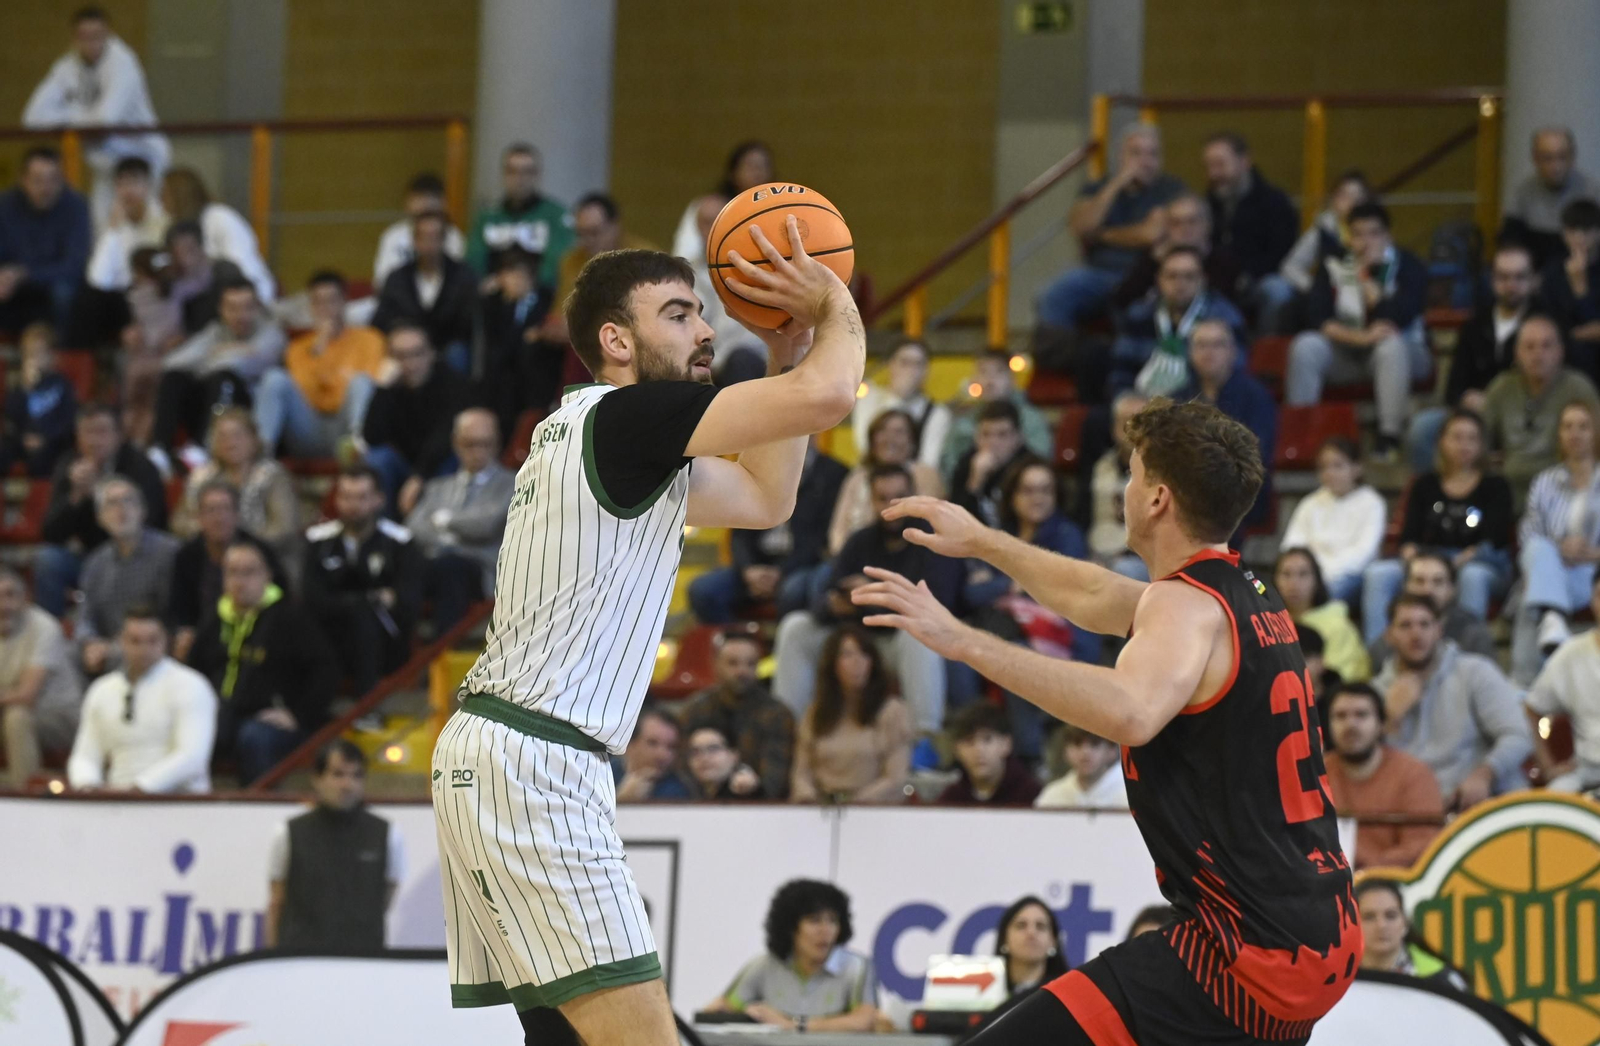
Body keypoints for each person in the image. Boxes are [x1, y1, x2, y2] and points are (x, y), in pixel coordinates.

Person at [431, 229, 864, 1043]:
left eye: (702, 312)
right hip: (534, 766)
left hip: (502, 756)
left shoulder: (605, 438)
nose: (705, 330)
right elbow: (834, 397)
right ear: (616, 342)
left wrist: (788, 352)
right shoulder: (628, 418)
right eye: (678, 314)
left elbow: (767, 498)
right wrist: (832, 300)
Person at [851, 399, 1363, 1046]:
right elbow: (1096, 596)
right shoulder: (1245, 594)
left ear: (1156, 500)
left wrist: (963, 641)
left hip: (1251, 951)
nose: (1121, 489)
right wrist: (984, 541)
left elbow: (1130, 709)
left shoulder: (1185, 606)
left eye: (1131, 474)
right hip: (1317, 927)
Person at [773, 465, 964, 735]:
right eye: (882, 498)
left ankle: (926, 739)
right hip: (857, 637)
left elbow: (937, 606)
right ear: (872, 501)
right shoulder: (860, 540)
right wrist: (834, 603)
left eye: (899, 497)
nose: (891, 506)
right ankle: (786, 731)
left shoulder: (934, 540)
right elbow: (825, 598)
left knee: (919, 637)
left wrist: (872, 594)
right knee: (797, 626)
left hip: (896, 643)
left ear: (913, 497)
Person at [959, 456, 1098, 760]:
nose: (1038, 498)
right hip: (1001, 628)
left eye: (1045, 490)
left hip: (1059, 636)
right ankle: (967, 739)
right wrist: (1013, 585)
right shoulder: (998, 536)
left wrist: (1001, 585)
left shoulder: (1066, 535)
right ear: (1013, 495)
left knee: (1016, 656)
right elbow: (971, 593)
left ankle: (1028, 755)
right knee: (959, 647)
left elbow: (1056, 591)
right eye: (1029, 490)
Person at [1287, 201, 1430, 455]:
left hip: (1406, 353)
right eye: (1358, 235)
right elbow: (1318, 319)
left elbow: (1397, 318)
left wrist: (1368, 282)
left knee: (1390, 344)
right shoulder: (1334, 265)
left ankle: (1389, 438)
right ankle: (1300, 433)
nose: (1365, 242)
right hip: (1350, 350)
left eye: (1374, 234)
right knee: (1306, 345)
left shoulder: (1408, 265)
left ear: (1388, 236)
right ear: (1348, 238)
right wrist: (1362, 338)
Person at [1361, 409, 1515, 643]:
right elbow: (1408, 538)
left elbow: (1493, 540)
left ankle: (1464, 653)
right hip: (1428, 559)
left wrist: (1448, 567)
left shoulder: (1496, 485)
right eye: (1456, 437)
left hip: (1481, 563)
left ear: (1482, 445)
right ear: (1441, 442)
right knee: (1379, 573)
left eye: (1471, 438)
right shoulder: (1425, 483)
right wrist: (1416, 561)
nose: (1463, 445)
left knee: (1472, 576)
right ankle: (1379, 655)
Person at [188, 541, 335, 784]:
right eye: (232, 572)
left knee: (254, 737)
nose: (239, 581)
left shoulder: (290, 617)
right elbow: (194, 673)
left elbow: (325, 670)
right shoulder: (214, 620)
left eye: (249, 572)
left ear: (268, 575)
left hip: (271, 719)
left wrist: (297, 715)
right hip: (224, 714)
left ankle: (257, 805)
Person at [1372, 593, 1531, 810]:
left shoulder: (1476, 671)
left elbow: (1518, 735)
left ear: (1439, 630)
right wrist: (1390, 719)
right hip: (1413, 811)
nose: (1416, 633)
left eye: (1424, 624)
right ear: (1389, 635)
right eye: (1405, 626)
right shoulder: (1375, 692)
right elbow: (1363, 767)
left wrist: (1485, 774)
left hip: (1482, 800)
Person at [22, 7, 169, 224]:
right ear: (74, 38)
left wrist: (67, 113)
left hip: (143, 161)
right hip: (106, 167)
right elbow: (32, 118)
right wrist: (81, 116)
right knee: (103, 232)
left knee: (149, 229)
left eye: (97, 36)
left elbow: (105, 122)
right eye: (84, 37)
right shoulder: (66, 66)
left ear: (107, 35)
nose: (91, 43)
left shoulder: (123, 63)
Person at [1036, 124, 1186, 336]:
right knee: (1054, 294)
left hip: (1146, 275)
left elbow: (1150, 234)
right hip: (1097, 274)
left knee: (1135, 307)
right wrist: (1117, 184)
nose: (1145, 161)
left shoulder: (1171, 190)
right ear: (1121, 156)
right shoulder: (1097, 188)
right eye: (1136, 153)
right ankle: (1060, 356)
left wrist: (1102, 234)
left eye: (1152, 153)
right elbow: (1081, 227)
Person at [1406, 242, 1542, 472]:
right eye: (1504, 277)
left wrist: (1495, 403)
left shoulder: (1543, 326)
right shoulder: (1475, 325)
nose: (1512, 285)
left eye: (1520, 277)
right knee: (1422, 428)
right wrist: (1465, 400)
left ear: (1533, 281)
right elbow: (1453, 389)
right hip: (1474, 417)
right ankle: (1439, 495)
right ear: (1493, 281)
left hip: (1524, 415)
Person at [688, 438, 848, 623]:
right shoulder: (757, 462)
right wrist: (749, 569)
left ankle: (780, 647)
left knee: (794, 590)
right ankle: (739, 642)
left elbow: (820, 538)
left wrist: (781, 572)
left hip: (800, 566)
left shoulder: (834, 474)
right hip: (756, 564)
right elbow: (739, 531)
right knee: (702, 590)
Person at [265, 740, 405, 949]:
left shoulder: (387, 835)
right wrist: (272, 961)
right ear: (317, 778)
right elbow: (277, 903)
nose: (347, 784)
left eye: (356, 775)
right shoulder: (288, 833)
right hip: (300, 960)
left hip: (364, 960)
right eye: (338, 774)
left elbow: (385, 897)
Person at [302, 463, 423, 696]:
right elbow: (312, 598)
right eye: (346, 497)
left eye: (361, 497)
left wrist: (358, 602)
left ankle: (368, 703)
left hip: (384, 641)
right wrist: (370, 598)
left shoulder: (400, 543)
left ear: (379, 499)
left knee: (364, 618)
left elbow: (408, 602)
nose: (353, 506)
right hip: (329, 635)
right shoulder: (318, 541)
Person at [65, 607, 215, 793]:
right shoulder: (102, 690)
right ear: (121, 641)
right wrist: (87, 787)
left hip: (180, 803)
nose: (144, 649)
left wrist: (140, 788)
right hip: (117, 802)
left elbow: (192, 757)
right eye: (135, 641)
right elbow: (85, 755)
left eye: (152, 640)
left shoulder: (191, 685)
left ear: (166, 641)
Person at [36, 404, 167, 617]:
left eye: (102, 431)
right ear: (77, 436)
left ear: (118, 435)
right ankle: (52, 629)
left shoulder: (139, 465)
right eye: (87, 432)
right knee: (47, 559)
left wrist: (101, 494)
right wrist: (76, 497)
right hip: (89, 557)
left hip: (136, 556)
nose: (94, 441)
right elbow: (50, 533)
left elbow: (150, 522)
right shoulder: (69, 466)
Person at [708, 879, 877, 1032]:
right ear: (790, 927)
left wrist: (792, 1025)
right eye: (814, 920)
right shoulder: (765, 965)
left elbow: (864, 1021)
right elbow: (720, 1008)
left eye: (832, 920)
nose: (825, 931)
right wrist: (746, 1013)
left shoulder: (856, 967)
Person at [151, 276, 284, 462]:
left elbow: (239, 364)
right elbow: (171, 363)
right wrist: (228, 351)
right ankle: (159, 451)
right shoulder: (215, 332)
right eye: (233, 308)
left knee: (223, 378)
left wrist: (214, 354)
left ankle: (203, 448)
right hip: (209, 404)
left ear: (258, 308)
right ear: (221, 310)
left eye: (248, 307)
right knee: (175, 378)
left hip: (247, 413)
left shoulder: (272, 334)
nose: (241, 315)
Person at [405, 408, 514, 633]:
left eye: (486, 444)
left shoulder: (511, 483)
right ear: (456, 444)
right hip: (435, 564)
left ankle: (443, 648)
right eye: (470, 444)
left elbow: (487, 524)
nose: (478, 451)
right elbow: (413, 528)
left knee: (451, 568)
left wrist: (444, 521)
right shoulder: (438, 487)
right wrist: (453, 536)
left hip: (480, 569)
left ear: (497, 444)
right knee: (405, 565)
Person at [255, 270, 385, 458]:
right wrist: (319, 348)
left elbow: (369, 389)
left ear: (344, 302)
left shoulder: (370, 339)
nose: (326, 308)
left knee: (361, 382)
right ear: (311, 306)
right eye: (318, 302)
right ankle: (260, 459)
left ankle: (361, 457)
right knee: (274, 379)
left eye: (332, 300)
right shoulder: (298, 347)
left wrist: (327, 381)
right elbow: (307, 392)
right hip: (308, 427)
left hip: (346, 425)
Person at [1481, 313, 1600, 509]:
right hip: (1507, 488)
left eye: (1547, 346)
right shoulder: (1500, 388)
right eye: (1529, 347)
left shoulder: (1579, 388)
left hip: (1563, 490)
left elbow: (1596, 445)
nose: (1538, 354)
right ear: (1517, 353)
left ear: (1560, 351)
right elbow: (1478, 440)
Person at [1514, 401, 1600, 672]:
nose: (1575, 434)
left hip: (1593, 576)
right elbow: (1528, 533)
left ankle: (1524, 680)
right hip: (1551, 567)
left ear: (1595, 432)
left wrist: (1595, 554)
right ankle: (1552, 619)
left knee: (1533, 596)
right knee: (1538, 556)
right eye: (1568, 427)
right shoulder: (1544, 481)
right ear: (1559, 435)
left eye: (1583, 427)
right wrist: (1558, 548)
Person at [1321, 683, 1443, 870]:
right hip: (1326, 883)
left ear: (1382, 725)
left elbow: (1423, 844)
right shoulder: (1314, 773)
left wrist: (1367, 870)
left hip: (1394, 883)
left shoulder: (1414, 774)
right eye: (1340, 716)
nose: (1350, 725)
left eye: (1361, 715)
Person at [789, 624, 913, 804]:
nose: (857, 662)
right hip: (821, 809)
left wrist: (852, 803)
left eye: (864, 654)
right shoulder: (815, 712)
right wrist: (809, 798)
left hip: (873, 811)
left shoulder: (892, 711)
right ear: (832, 664)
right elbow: (801, 773)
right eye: (847, 655)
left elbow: (895, 779)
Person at [1175, 318, 1276, 535]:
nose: (1209, 352)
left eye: (1217, 344)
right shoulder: (1178, 399)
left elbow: (1257, 455)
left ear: (1232, 351)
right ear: (1191, 353)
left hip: (1241, 494)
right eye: (1201, 345)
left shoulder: (1256, 396)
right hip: (1189, 492)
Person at [362, 323, 474, 515]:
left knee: (457, 453)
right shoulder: (390, 388)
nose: (410, 363)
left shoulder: (452, 383)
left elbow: (444, 438)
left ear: (431, 353)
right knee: (377, 459)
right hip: (405, 464)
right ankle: (382, 533)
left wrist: (419, 476)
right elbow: (372, 437)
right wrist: (381, 390)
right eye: (400, 356)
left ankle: (439, 527)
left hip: (439, 464)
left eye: (417, 353)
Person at [75, 476, 179, 676]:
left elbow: (168, 616)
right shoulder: (95, 563)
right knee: (66, 656)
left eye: (129, 500)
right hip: (104, 648)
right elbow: (85, 615)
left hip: (150, 642)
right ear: (100, 517)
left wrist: (115, 646)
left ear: (143, 511)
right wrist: (90, 643)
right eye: (111, 503)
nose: (121, 509)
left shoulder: (170, 553)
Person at [169, 479, 285, 659]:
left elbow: (281, 598)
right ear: (199, 517)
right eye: (211, 510)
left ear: (237, 514)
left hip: (256, 637)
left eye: (225, 508)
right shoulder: (187, 556)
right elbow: (180, 610)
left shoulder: (260, 552)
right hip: (203, 641)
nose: (219, 517)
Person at [1111, 246, 1246, 399]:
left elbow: (1233, 371)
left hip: (1199, 405)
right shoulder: (1139, 315)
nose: (1180, 284)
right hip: (1142, 403)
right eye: (1172, 276)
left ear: (1203, 280)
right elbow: (1122, 368)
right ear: (1159, 280)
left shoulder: (1224, 316)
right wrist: (1124, 398)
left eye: (1189, 276)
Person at [175, 408, 300, 566]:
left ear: (254, 439)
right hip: (209, 557)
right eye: (223, 436)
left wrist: (245, 549)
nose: (230, 442)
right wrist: (212, 537)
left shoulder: (273, 476)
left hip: (263, 560)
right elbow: (180, 521)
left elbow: (284, 528)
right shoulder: (201, 477)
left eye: (237, 435)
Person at [679, 630, 795, 799]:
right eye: (733, 663)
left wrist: (752, 790)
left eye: (750, 664)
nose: (742, 671)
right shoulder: (695, 709)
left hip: (756, 807)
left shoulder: (777, 714)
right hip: (697, 804)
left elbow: (775, 782)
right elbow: (682, 767)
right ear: (715, 664)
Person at [0, 566, 83, 788]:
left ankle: (24, 796)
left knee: (17, 717)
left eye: (10, 595)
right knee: (13, 716)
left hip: (59, 716)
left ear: (26, 598)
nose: (4, 605)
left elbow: (27, 694)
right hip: (7, 711)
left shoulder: (44, 627)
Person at [1279, 436, 1387, 603]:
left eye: (1338, 466)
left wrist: (1320, 575)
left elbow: (1364, 553)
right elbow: (1292, 546)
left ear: (1357, 468)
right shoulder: (1310, 502)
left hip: (1350, 577)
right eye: (1324, 467)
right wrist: (1306, 575)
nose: (1329, 473)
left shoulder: (1372, 503)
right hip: (1309, 576)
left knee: (1326, 593)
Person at [1202, 131, 1299, 315]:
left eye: (1220, 165)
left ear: (1244, 161)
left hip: (1258, 280)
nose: (1213, 174)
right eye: (1209, 166)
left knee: (1276, 290)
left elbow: (1282, 253)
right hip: (1215, 280)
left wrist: (1245, 276)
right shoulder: (1206, 204)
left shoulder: (1275, 202)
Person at [1265, 170, 1372, 334]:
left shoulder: (1376, 232)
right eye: (1344, 196)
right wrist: (1315, 289)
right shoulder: (1323, 230)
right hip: (1328, 300)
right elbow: (1290, 267)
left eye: (1358, 198)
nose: (1351, 203)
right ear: (1334, 200)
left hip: (1364, 296)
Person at [0, 147, 90, 334]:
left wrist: (25, 273)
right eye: (38, 180)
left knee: (64, 292)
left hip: (54, 283)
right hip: (12, 284)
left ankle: (64, 355)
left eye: (53, 180)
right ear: (23, 180)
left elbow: (74, 265)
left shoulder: (76, 206)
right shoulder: (5, 205)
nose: (45, 188)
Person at [371, 210, 476, 371]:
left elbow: (467, 324)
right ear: (414, 240)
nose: (429, 244)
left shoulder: (463, 276)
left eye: (435, 237)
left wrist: (429, 350)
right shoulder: (397, 278)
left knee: (457, 353)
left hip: (444, 348)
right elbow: (382, 320)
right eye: (424, 237)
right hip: (405, 348)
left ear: (444, 240)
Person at [1525, 572, 1600, 794]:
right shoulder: (1572, 653)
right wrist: (1548, 767)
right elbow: (1531, 710)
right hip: (1590, 773)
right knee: (1552, 801)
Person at [833, 410, 945, 554]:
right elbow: (838, 528)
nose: (889, 438)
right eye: (882, 430)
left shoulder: (925, 474)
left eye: (899, 432)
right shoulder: (857, 477)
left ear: (912, 440)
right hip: (854, 557)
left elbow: (932, 524)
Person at [550, 193, 657, 338]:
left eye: (594, 232)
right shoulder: (571, 260)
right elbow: (561, 315)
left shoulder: (646, 259)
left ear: (615, 227)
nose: (587, 241)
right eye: (581, 234)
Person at [467, 142, 573, 288]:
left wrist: (526, 284)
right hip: (492, 295)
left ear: (538, 175)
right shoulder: (487, 217)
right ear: (504, 175)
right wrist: (498, 282)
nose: (520, 179)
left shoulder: (556, 216)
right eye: (513, 172)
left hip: (540, 297)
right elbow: (473, 262)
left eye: (527, 172)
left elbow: (558, 263)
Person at [160, 167, 273, 303]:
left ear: (180, 195)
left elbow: (238, 266)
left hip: (245, 296)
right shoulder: (176, 227)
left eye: (165, 194)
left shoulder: (220, 217)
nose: (161, 201)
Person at [1366, 551, 1497, 667]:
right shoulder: (1391, 635)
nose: (1427, 590)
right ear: (1405, 587)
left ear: (1452, 590)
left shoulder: (1473, 634)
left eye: (1438, 582)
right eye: (1419, 581)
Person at [481, 246, 562, 429]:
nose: (514, 281)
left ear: (531, 276)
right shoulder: (493, 305)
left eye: (519, 274)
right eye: (508, 275)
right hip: (505, 373)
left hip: (536, 369)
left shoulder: (547, 299)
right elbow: (496, 344)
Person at [940, 350, 1053, 478]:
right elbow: (949, 469)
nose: (990, 380)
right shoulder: (963, 425)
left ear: (1012, 379)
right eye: (983, 372)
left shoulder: (1032, 420)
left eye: (998, 372)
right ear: (974, 379)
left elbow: (1041, 463)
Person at [1501, 126, 1600, 270]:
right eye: (1548, 158)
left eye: (1562, 157)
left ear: (1572, 157)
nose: (1556, 166)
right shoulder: (1523, 192)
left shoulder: (1592, 192)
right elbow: (1510, 242)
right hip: (1535, 276)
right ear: (1535, 158)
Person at [852, 337, 952, 470]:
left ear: (926, 371)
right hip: (871, 476)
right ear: (890, 365)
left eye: (918, 364)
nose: (911, 371)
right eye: (904, 363)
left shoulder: (938, 413)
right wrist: (898, 398)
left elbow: (928, 461)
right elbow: (864, 445)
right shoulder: (868, 400)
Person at [1274, 548, 1370, 684]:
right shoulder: (1266, 621)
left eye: (1303, 574)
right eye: (1286, 574)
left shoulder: (1337, 625)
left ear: (1316, 580)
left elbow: (1343, 676)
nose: (1293, 583)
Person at [1354, 879, 1468, 989]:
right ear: (1351, 924)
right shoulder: (1338, 977)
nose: (1381, 925)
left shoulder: (1441, 979)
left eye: (1391, 916)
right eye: (1369, 917)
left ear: (1405, 923)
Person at [1, 322, 78, 479]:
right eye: (30, 354)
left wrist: (45, 438)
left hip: (51, 442)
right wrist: (27, 388)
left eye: (40, 352)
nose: (35, 359)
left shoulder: (61, 384)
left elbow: (67, 420)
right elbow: (11, 417)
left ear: (52, 355)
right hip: (22, 440)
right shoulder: (20, 386)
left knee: (43, 458)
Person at [1086, 390, 1148, 581]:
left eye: (1142, 424)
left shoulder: (1168, 472)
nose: (1133, 432)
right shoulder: (1100, 467)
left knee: (1122, 571)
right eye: (1126, 423)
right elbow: (1083, 515)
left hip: (1141, 561)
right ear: (1114, 428)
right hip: (1097, 553)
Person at [85, 156, 169, 293]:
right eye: (121, 184)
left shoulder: (163, 219)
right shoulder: (114, 225)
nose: (128, 191)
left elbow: (164, 267)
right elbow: (98, 279)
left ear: (148, 185)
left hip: (156, 294)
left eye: (134, 182)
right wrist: (112, 231)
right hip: (121, 298)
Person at [937, 702, 1042, 806]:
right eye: (969, 741)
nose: (979, 750)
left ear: (1006, 744)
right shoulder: (951, 800)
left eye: (987, 739)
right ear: (956, 750)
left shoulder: (1032, 796)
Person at [950, 402, 1035, 530]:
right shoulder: (967, 464)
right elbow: (954, 522)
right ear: (976, 437)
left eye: (1002, 434)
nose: (993, 443)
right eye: (986, 434)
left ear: (1018, 438)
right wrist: (975, 482)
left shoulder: (1031, 468)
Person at [372, 172, 465, 287]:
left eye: (429, 199)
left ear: (442, 204)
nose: (423, 206)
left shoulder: (453, 236)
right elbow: (382, 279)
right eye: (418, 199)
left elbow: (455, 280)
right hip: (399, 297)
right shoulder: (393, 235)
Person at [1540, 198, 1600, 375]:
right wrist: (1579, 334)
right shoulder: (1553, 272)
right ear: (1564, 234)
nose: (1580, 238)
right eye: (1573, 231)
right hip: (1565, 353)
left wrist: (1580, 288)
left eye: (1587, 230)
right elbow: (1551, 322)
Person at [1034, 724, 1127, 809]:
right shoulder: (1052, 795)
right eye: (1077, 743)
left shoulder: (1129, 791)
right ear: (1065, 751)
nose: (1085, 752)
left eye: (1095, 744)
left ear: (1112, 750)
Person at [613, 702, 690, 802]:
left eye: (671, 747)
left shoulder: (677, 792)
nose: (663, 755)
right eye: (652, 743)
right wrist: (621, 799)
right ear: (629, 744)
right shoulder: (601, 772)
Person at [993, 897, 1069, 997]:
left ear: (1053, 941)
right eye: (1021, 925)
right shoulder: (984, 993)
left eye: (1040, 926)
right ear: (1004, 938)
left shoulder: (1066, 995)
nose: (1031, 933)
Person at [683, 722, 763, 800]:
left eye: (713, 749)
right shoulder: (687, 792)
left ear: (734, 755)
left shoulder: (746, 793)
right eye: (695, 752)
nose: (704, 758)